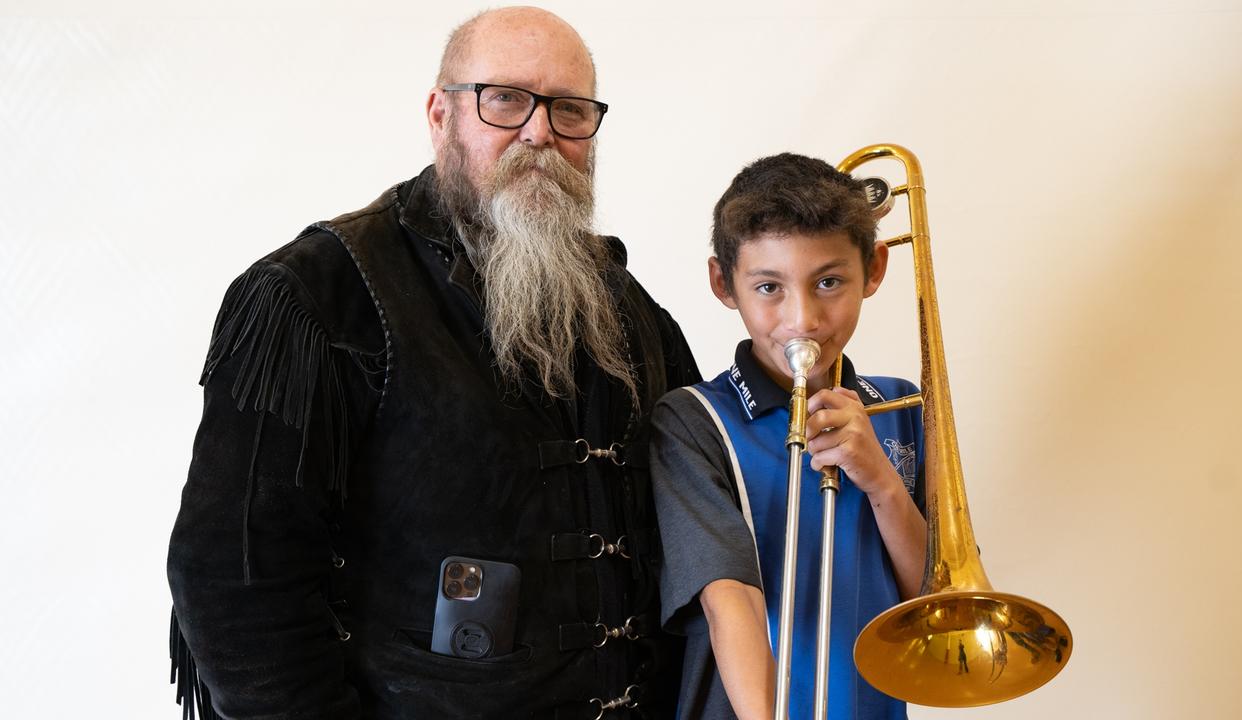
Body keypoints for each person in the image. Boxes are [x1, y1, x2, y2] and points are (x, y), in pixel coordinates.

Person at [166, 7, 700, 718]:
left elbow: (706, 508)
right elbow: (236, 581)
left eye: (570, 110)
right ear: (439, 113)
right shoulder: (318, 296)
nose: (539, 131)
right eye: (504, 99)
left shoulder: (629, 309)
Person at [649, 153, 927, 719]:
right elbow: (732, 601)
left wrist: (881, 481)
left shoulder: (901, 407)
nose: (802, 319)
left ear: (874, 269)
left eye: (829, 281)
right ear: (723, 284)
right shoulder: (693, 420)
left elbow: (933, 604)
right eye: (769, 287)